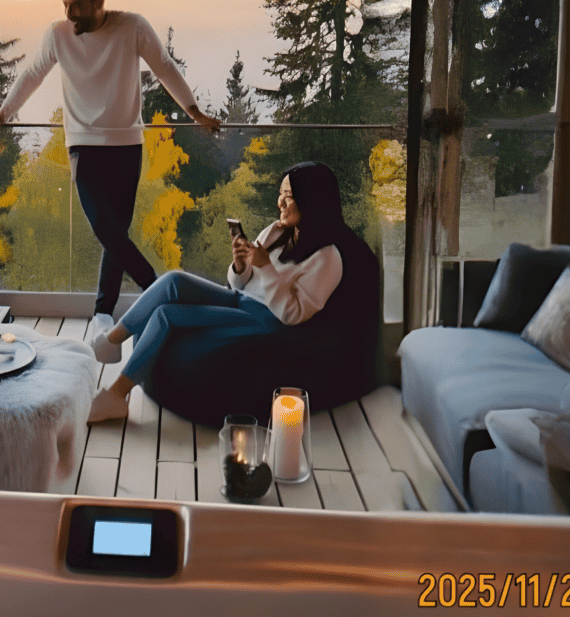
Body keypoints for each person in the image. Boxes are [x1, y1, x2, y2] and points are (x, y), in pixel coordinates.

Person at [0, 0, 221, 337]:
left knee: (115, 233)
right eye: (65, 4)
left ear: (98, 2)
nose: (69, 12)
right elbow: (32, 74)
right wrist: (2, 113)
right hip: (83, 146)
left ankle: (102, 313)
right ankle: (160, 290)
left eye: (77, 5)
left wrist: (195, 113)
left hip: (127, 144)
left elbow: (164, 67)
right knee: (106, 229)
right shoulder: (58, 35)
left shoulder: (132, 27)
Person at [85, 162, 380, 424]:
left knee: (166, 315)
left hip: (268, 321)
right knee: (173, 280)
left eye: (288, 196)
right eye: (281, 194)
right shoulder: (278, 232)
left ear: (312, 201)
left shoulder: (327, 258)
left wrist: (265, 268)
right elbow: (239, 285)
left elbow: (294, 314)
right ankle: (111, 342)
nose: (280, 202)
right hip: (243, 301)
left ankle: (116, 395)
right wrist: (240, 265)